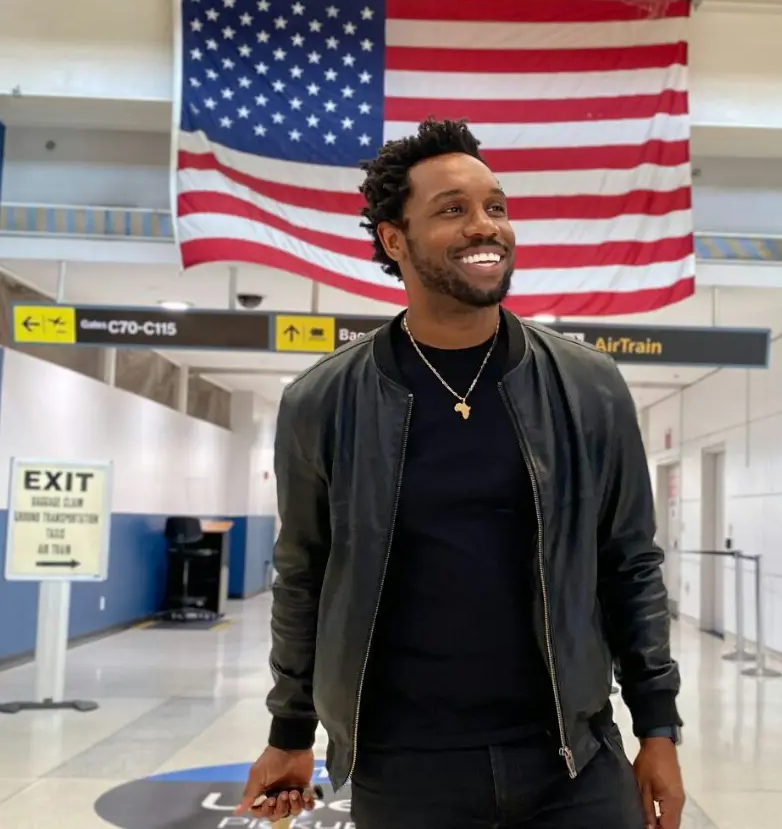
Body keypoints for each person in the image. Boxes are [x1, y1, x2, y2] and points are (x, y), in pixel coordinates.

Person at [236, 118, 685, 829]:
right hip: (405, 766)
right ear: (394, 239)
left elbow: (628, 561)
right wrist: (290, 729)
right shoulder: (322, 401)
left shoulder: (589, 387)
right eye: (454, 210)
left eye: (496, 207)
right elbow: (305, 573)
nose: (487, 227)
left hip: (571, 758)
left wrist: (658, 727)